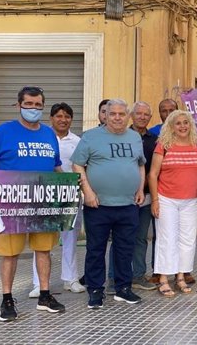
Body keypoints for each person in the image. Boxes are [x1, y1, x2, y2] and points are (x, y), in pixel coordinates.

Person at [0, 86, 65, 321]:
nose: (33, 109)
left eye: (38, 105)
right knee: (10, 254)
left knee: (44, 250)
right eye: (28, 104)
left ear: (43, 106)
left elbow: (56, 165)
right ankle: (7, 299)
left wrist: (67, 187)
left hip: (43, 203)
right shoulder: (3, 132)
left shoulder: (48, 134)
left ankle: (44, 295)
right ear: (19, 105)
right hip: (10, 204)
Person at [71, 99, 146, 309]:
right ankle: (95, 291)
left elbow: (140, 165)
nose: (117, 117)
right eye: (112, 113)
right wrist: (87, 192)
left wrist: (140, 189)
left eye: (122, 114)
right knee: (96, 249)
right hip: (98, 205)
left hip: (128, 204)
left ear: (127, 116)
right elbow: (77, 164)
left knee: (125, 249)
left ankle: (123, 288)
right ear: (105, 114)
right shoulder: (91, 137)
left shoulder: (134, 137)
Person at [28, 103, 86, 299]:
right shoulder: (42, 137)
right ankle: (38, 283)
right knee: (41, 240)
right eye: (59, 116)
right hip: (43, 195)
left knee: (70, 238)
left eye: (67, 116)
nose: (63, 119)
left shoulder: (78, 141)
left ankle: (71, 279)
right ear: (51, 118)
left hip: (70, 196)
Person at [147, 110, 197, 297]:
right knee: (166, 238)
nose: (182, 126)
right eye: (178, 123)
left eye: (186, 122)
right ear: (171, 126)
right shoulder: (163, 145)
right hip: (166, 198)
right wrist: (154, 200)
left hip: (191, 200)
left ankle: (180, 276)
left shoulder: (196, 145)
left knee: (187, 239)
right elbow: (153, 174)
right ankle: (163, 278)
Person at [128, 101, 158, 291]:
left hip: (146, 196)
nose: (142, 117)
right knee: (120, 238)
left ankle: (138, 275)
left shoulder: (154, 140)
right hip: (123, 196)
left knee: (140, 238)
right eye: (138, 113)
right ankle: (116, 278)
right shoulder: (123, 136)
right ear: (131, 115)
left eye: (146, 114)